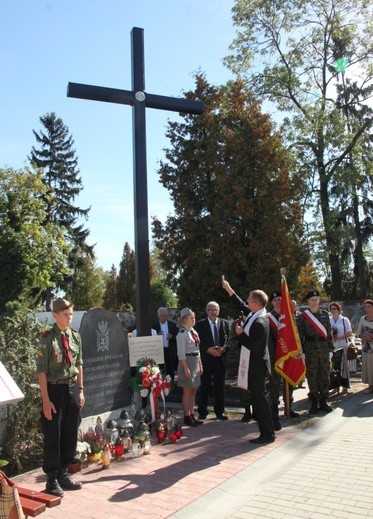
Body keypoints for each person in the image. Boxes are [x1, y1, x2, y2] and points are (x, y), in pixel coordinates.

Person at [36, 298, 84, 497]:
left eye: (71, 314)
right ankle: (52, 479)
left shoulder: (75, 336)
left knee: (70, 432)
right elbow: (41, 372)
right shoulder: (47, 338)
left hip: (71, 388)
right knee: (53, 434)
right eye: (65, 314)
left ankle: (64, 473)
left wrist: (81, 389)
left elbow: (80, 363)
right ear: (55, 315)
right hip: (54, 391)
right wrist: (45, 400)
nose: (69, 317)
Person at [222, 280, 275, 444]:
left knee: (260, 399)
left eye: (249, 300)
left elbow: (253, 345)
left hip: (257, 365)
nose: (246, 301)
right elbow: (240, 305)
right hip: (254, 364)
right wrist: (229, 289)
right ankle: (267, 431)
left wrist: (239, 334)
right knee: (259, 398)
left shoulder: (260, 322)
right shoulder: (254, 314)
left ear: (255, 304)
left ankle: (267, 433)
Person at [297, 290, 333, 414]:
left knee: (324, 374)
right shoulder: (303, 317)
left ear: (319, 300)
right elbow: (300, 335)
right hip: (310, 348)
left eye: (316, 299)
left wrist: (331, 349)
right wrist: (301, 351)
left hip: (323, 348)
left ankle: (323, 401)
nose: (314, 301)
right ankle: (313, 403)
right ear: (308, 301)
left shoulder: (325, 314)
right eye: (312, 299)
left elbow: (329, 333)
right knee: (311, 375)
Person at [195, 301, 230, 421]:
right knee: (204, 386)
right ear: (206, 311)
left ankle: (220, 412)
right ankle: (202, 411)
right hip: (206, 360)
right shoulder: (199, 325)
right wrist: (207, 349)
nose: (212, 312)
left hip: (220, 360)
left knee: (220, 387)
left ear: (218, 311)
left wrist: (223, 349)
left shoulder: (225, 323)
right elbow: (197, 342)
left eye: (215, 309)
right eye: (210, 309)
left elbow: (229, 341)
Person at [176, 308, 204, 426]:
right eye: (191, 318)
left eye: (194, 317)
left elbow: (198, 349)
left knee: (194, 390)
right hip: (187, 361)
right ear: (184, 320)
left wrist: (200, 364)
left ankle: (192, 414)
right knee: (187, 391)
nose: (194, 320)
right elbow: (181, 354)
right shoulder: (182, 334)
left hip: (195, 361)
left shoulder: (194, 332)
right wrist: (186, 368)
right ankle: (187, 416)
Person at [329, 301, 353, 394]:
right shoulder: (329, 320)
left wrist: (339, 337)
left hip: (343, 345)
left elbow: (350, 333)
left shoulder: (344, 320)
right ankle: (335, 386)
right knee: (334, 367)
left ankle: (345, 386)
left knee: (343, 367)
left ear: (339, 310)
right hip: (332, 346)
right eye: (331, 309)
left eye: (335, 309)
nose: (333, 310)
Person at [152, 307, 179, 382]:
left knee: (171, 369)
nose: (163, 317)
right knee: (159, 369)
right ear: (158, 316)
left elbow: (178, 337)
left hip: (170, 350)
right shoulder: (154, 326)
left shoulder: (172, 325)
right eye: (161, 316)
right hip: (159, 351)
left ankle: (171, 385)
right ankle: (159, 385)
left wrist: (172, 336)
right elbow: (151, 339)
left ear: (167, 316)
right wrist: (157, 336)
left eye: (165, 316)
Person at [356, 299, 373, 394]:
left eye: (369, 306)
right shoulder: (363, 319)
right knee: (368, 366)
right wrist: (364, 335)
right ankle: (370, 386)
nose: (367, 308)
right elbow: (358, 333)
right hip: (366, 348)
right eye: (365, 307)